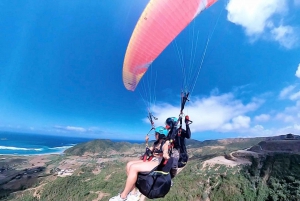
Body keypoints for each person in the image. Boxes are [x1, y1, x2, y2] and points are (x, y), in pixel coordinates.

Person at [109, 126, 170, 201]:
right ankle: (134, 193)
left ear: (160, 135)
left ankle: (123, 196)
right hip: (152, 160)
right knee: (129, 164)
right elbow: (148, 151)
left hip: (157, 162)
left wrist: (165, 155)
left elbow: (165, 151)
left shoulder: (165, 144)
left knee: (134, 167)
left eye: (156, 134)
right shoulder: (156, 143)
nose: (155, 135)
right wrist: (146, 142)